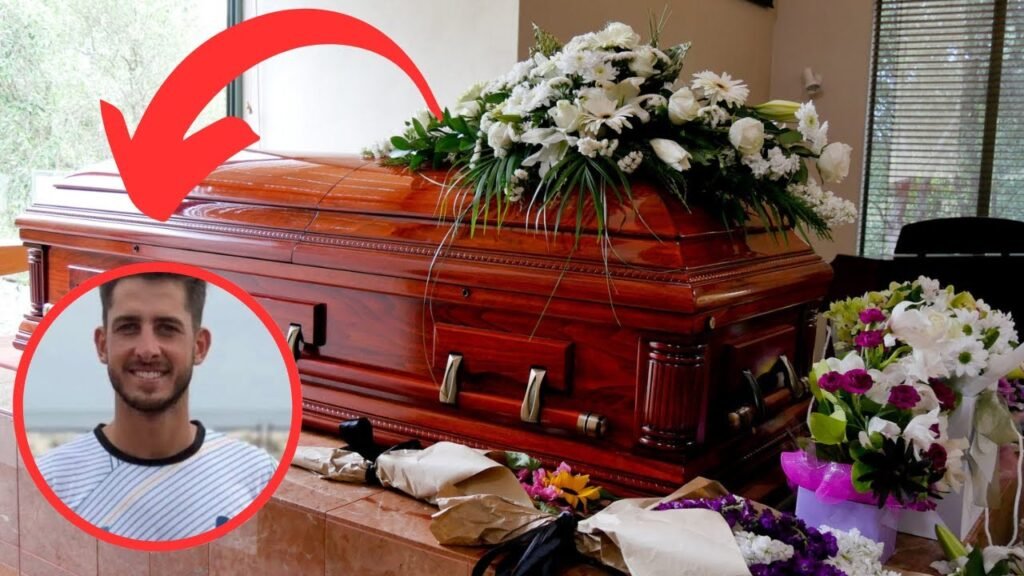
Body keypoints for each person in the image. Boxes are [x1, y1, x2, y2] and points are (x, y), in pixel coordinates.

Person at [36, 272, 277, 541]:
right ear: (102, 345)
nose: (147, 350)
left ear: (199, 347)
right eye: (128, 327)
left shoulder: (257, 473)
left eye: (167, 329)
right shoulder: (52, 479)